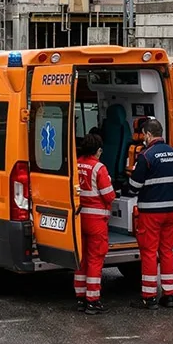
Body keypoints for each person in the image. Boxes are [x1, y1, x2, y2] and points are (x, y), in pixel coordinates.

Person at [126, 119, 173, 309]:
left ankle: (149, 296)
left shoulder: (146, 156)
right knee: (166, 251)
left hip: (151, 212)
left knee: (149, 252)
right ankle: (169, 295)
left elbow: (134, 187)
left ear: (148, 135)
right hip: (171, 211)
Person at [74, 133, 114, 315]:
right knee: (95, 260)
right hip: (96, 221)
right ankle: (93, 300)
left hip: (78, 218)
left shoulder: (75, 164)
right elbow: (108, 195)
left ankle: (81, 297)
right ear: (98, 150)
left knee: (81, 260)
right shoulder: (99, 168)